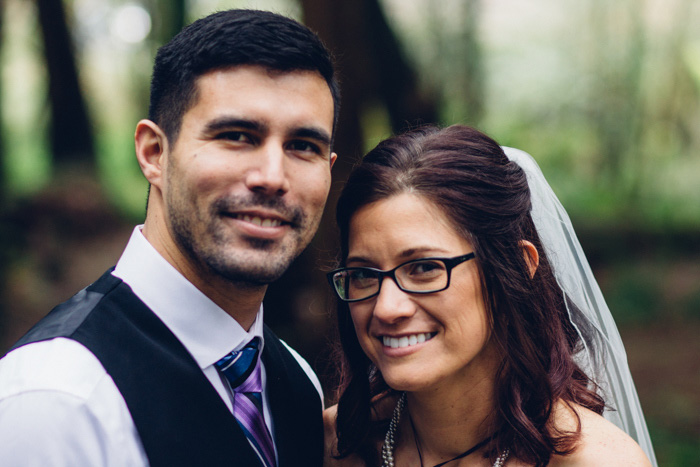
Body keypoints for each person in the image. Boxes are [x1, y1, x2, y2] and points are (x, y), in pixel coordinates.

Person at [0, 9, 338, 467]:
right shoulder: (58, 398)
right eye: (237, 136)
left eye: (303, 146)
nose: (273, 177)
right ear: (154, 153)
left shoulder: (298, 384)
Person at [323, 125, 656, 466]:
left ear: (516, 267)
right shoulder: (336, 443)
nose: (387, 308)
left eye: (424, 268)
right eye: (364, 274)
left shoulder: (595, 461)